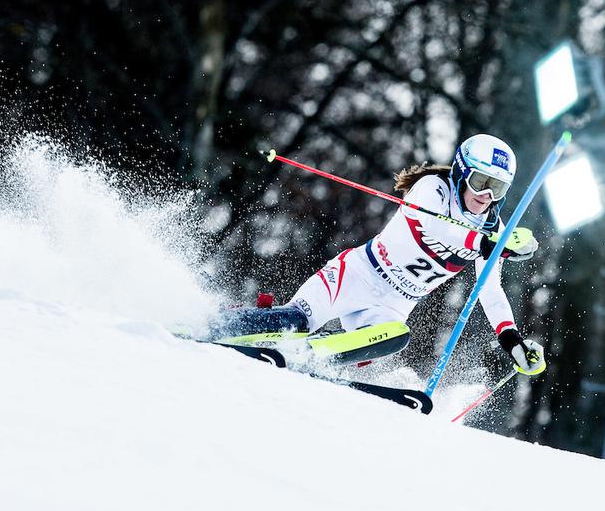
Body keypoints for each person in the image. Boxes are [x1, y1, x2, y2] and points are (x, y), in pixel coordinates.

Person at [209, 134, 546, 376]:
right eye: (479, 181)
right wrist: (493, 245)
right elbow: (441, 230)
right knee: (295, 322)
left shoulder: (493, 227)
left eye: (497, 187)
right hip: (356, 276)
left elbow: (490, 290)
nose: (485, 195)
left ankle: (315, 356)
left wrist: (512, 341)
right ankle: (213, 325)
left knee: (396, 336)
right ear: (460, 172)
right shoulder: (432, 190)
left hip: (394, 305)